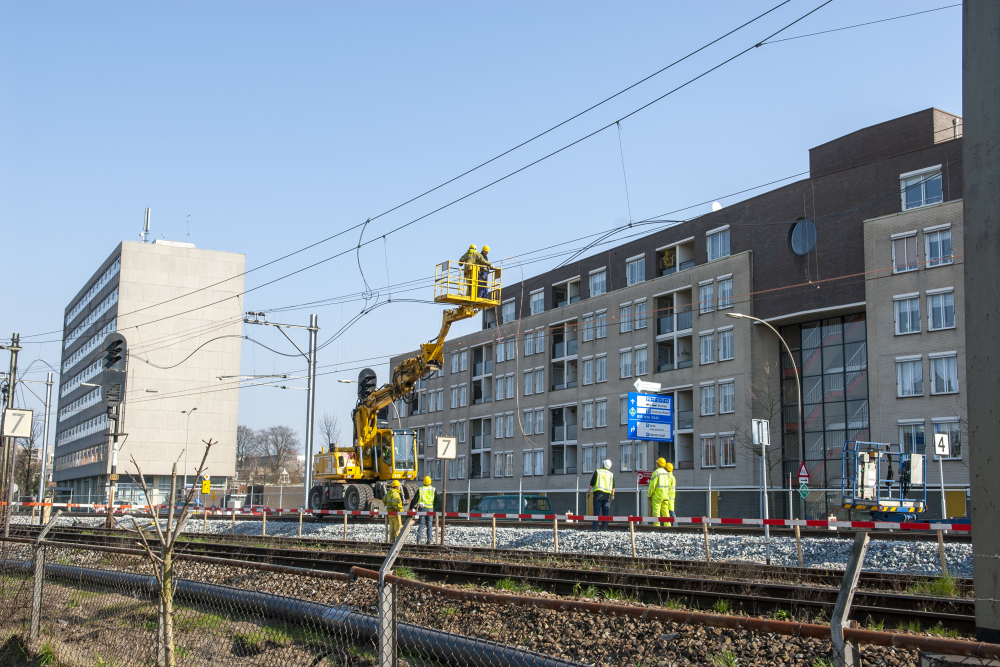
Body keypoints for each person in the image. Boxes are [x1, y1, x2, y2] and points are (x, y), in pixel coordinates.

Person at [588, 459, 615, 531]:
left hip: (598, 494)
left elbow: (592, 482)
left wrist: (589, 491)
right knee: (606, 512)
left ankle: (595, 528)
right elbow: (613, 486)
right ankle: (604, 528)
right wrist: (612, 495)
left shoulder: (598, 471)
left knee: (596, 511)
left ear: (603, 464)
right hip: (607, 496)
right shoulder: (611, 474)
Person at [648, 458, 676, 528]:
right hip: (665, 496)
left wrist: (649, 494)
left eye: (657, 463)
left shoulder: (656, 472)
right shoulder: (667, 474)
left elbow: (652, 485)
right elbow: (669, 486)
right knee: (665, 512)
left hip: (657, 495)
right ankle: (668, 527)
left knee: (656, 512)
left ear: (658, 464)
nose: (656, 464)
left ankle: (657, 527)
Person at [416, 475, 436, 544]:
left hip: (422, 508)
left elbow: (415, 499)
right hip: (430, 508)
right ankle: (429, 540)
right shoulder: (433, 489)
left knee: (421, 524)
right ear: (430, 482)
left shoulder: (420, 489)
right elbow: (437, 499)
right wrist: (434, 506)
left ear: (423, 482)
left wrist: (410, 508)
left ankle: (418, 540)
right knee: (429, 525)